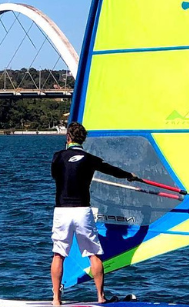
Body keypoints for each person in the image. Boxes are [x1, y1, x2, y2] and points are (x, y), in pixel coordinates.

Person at [50, 122, 138, 306]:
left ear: (68, 137)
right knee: (93, 254)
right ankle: (100, 297)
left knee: (59, 254)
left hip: (62, 211)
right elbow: (112, 170)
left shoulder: (57, 157)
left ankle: (56, 300)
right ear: (83, 140)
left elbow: (56, 175)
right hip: (82, 210)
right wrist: (129, 175)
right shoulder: (90, 159)